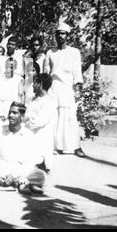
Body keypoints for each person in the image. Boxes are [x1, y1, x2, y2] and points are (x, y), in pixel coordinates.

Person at [0, 102, 46, 194]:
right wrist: (6, 172)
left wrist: (13, 174)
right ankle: (22, 182)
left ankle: (14, 180)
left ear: (22, 117)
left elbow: (29, 163)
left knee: (41, 175)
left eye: (14, 113)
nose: (10, 115)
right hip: (1, 167)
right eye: (10, 112)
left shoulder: (29, 135)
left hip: (19, 169)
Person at [43, 22, 85, 157]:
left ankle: (75, 146)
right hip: (54, 87)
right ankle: (56, 146)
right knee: (55, 117)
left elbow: (77, 72)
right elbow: (46, 72)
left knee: (70, 117)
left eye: (63, 33)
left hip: (67, 87)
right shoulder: (50, 52)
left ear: (67, 36)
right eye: (58, 33)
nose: (60, 36)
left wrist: (77, 88)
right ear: (55, 36)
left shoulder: (74, 52)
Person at [25, 73, 57, 171]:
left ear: (40, 84)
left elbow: (37, 122)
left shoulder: (49, 102)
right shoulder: (34, 99)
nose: (33, 86)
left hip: (39, 138)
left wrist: (25, 122)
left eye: (34, 83)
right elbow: (27, 115)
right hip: (31, 132)